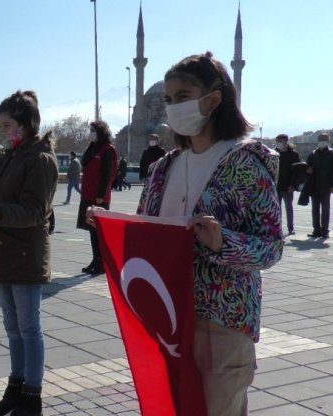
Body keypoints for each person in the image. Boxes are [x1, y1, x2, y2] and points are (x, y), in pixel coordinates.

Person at [98, 52, 282, 416]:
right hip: (167, 319)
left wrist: (221, 242)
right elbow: (147, 235)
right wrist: (108, 224)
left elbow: (271, 247)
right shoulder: (163, 169)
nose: (173, 107)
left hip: (220, 322)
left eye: (182, 97)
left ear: (213, 98)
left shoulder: (246, 163)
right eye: (168, 100)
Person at [0, 90, 58, 416]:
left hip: (24, 253)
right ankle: (16, 388)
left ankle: (31, 397)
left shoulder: (40, 159)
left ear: (26, 122)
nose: (5, 132)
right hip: (3, 250)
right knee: (12, 327)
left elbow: (36, 211)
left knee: (29, 328)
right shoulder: (8, 156)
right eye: (2, 127)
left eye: (8, 125)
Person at [76, 120, 117, 275]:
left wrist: (101, 195)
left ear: (101, 132)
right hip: (87, 195)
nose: (90, 132)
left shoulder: (108, 149)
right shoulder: (92, 148)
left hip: (98, 197)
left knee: (98, 231)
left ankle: (102, 262)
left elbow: (108, 174)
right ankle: (96, 259)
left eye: (93, 130)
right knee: (91, 230)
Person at [306, 134, 333, 238]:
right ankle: (316, 230)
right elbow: (306, 167)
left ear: (328, 140)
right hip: (314, 186)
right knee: (315, 209)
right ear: (317, 141)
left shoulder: (331, 154)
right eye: (321, 139)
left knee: (326, 209)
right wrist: (307, 170)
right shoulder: (312, 154)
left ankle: (325, 230)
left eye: (325, 139)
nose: (322, 141)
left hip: (326, 186)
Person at [275, 134, 300, 235]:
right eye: (278, 141)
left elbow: (297, 171)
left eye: (282, 141)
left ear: (286, 142)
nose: (280, 143)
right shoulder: (273, 153)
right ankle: (278, 228)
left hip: (288, 186)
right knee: (277, 208)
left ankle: (291, 228)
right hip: (276, 186)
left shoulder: (293, 154)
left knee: (288, 207)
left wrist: (293, 185)